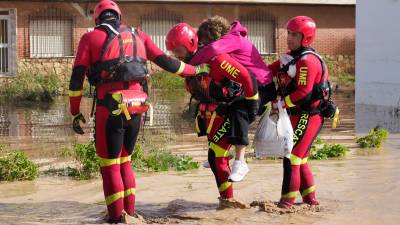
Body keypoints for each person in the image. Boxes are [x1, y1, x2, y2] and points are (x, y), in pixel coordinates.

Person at [68, 1, 209, 223]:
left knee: (110, 165)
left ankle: (116, 219)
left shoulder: (89, 38)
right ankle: (130, 214)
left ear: (97, 19)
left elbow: (76, 81)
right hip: (138, 107)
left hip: (110, 108)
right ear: (119, 17)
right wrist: (198, 70)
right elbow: (169, 63)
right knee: (125, 161)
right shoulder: (139, 35)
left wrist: (75, 112)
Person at [165, 23, 259, 208]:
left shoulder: (216, 60)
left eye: (178, 50)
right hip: (210, 115)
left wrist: (252, 105)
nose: (176, 55)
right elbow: (173, 67)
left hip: (228, 111)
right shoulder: (190, 63)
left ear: (191, 43)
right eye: (173, 51)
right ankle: (226, 201)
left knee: (218, 157)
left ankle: (228, 202)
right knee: (213, 158)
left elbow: (247, 77)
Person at [190, 16, 276, 182]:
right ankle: (221, 153)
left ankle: (240, 161)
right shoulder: (230, 40)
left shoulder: (233, 39)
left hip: (263, 87)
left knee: (239, 109)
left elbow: (213, 50)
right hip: (247, 86)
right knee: (222, 107)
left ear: (214, 34)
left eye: (204, 42)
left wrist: (188, 64)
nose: (203, 46)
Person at [269, 16, 331, 208]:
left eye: (294, 34)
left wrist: (281, 103)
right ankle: (311, 202)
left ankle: (286, 205)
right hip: (297, 114)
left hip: (310, 115)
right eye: (288, 33)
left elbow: (303, 92)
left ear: (306, 38)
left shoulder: (307, 61)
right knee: (301, 158)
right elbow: (266, 71)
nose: (289, 38)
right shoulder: (290, 58)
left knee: (292, 157)